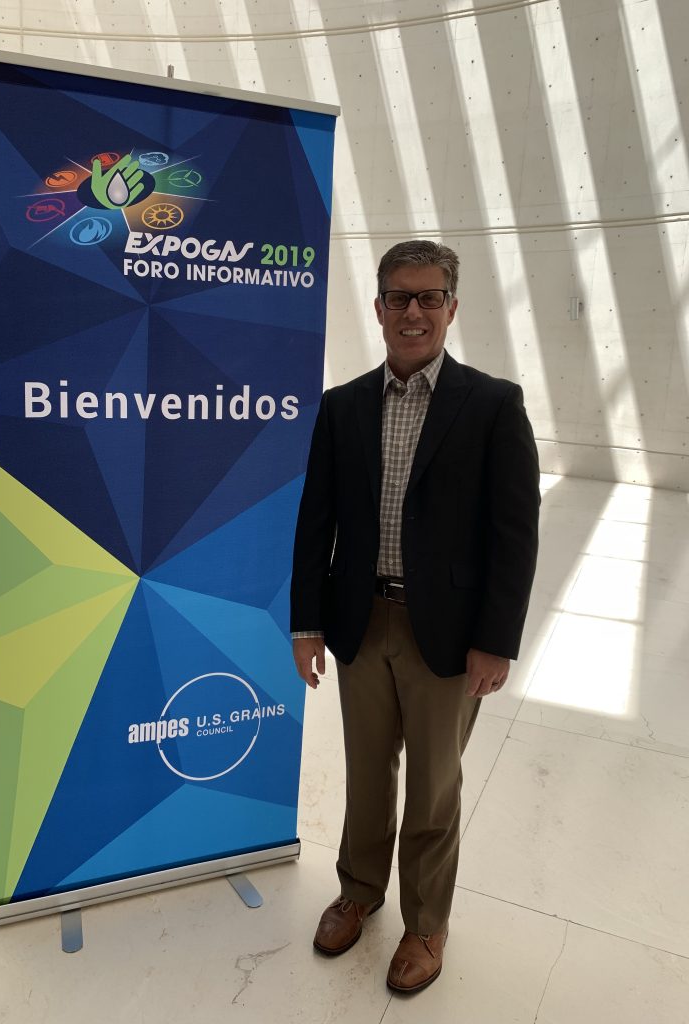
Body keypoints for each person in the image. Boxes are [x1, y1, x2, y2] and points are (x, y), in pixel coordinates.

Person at [290, 240, 540, 993]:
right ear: (379, 308)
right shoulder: (343, 406)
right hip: (360, 623)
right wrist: (307, 623)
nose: (413, 312)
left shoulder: (493, 404)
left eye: (429, 297)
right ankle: (359, 890)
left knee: (434, 786)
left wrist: (496, 642)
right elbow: (316, 521)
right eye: (399, 297)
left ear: (452, 309)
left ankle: (426, 923)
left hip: (450, 635)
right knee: (369, 775)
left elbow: (514, 531)